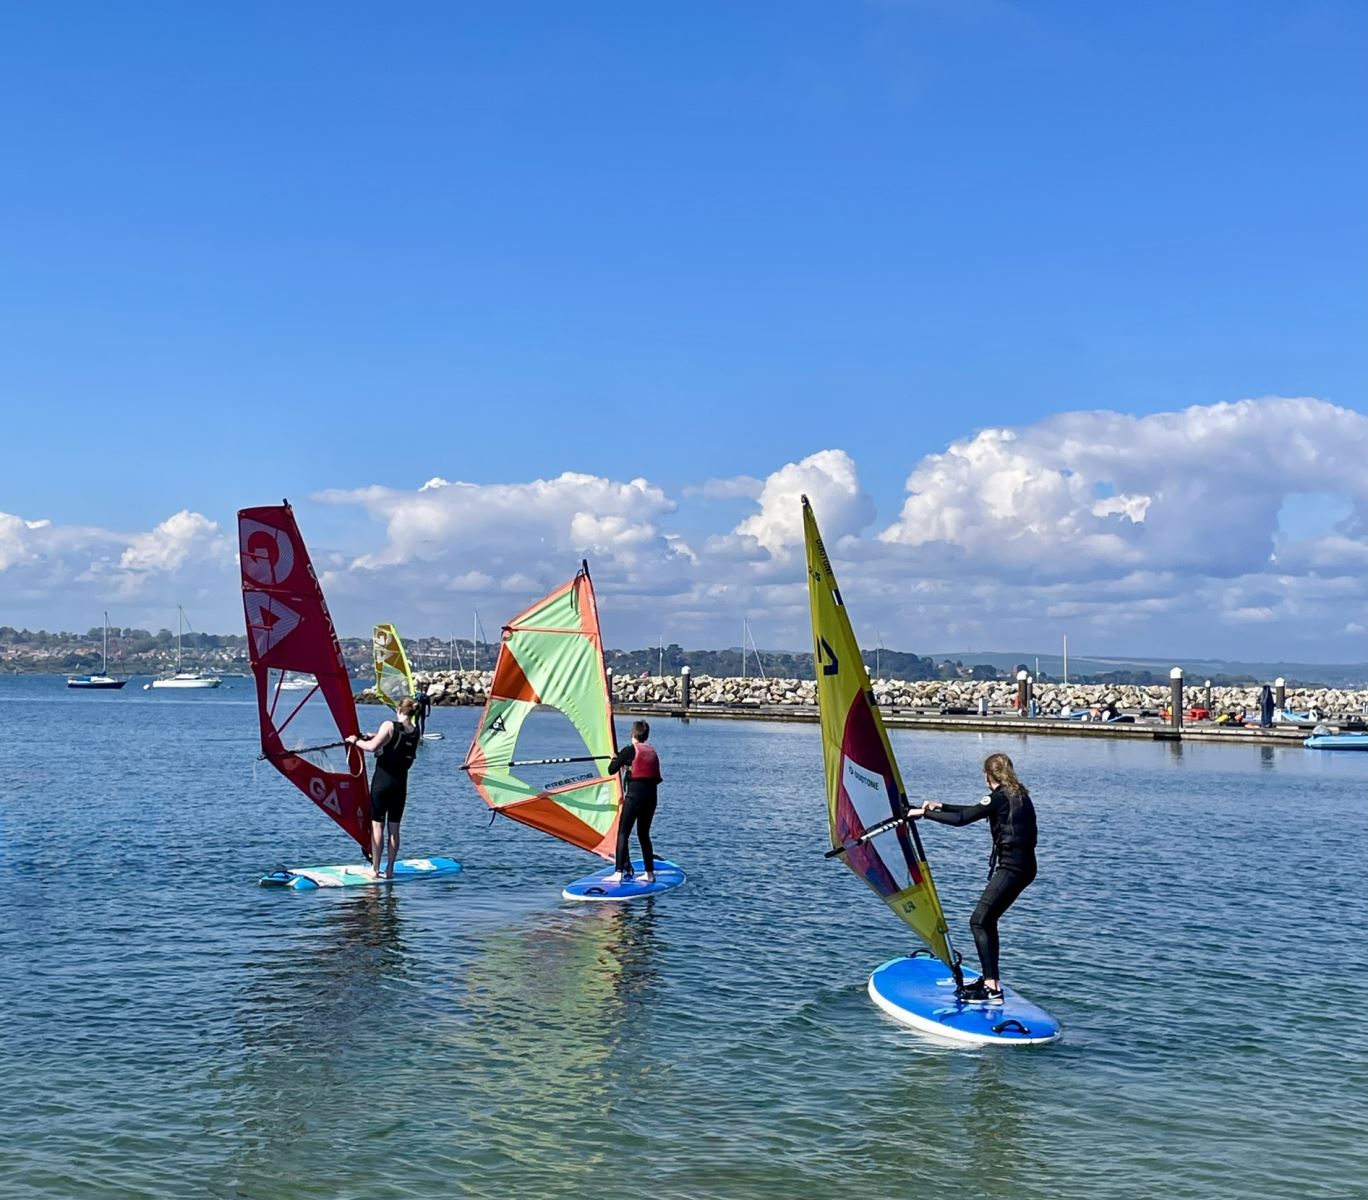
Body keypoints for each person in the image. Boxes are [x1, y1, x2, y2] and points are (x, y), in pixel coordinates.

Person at [907, 752, 1038, 1005]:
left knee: (979, 921)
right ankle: (992, 982)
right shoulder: (1018, 794)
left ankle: (992, 988)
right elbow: (974, 810)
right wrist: (940, 806)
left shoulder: (1001, 796)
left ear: (988, 775)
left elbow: (962, 820)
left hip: (1013, 869)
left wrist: (922, 814)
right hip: (1025, 867)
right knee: (987, 920)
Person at [346, 696, 422, 877]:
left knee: (377, 826)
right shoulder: (416, 731)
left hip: (382, 783)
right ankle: (390, 870)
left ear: (398, 709)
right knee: (394, 829)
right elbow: (397, 743)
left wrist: (354, 741)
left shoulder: (389, 725)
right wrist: (375, 736)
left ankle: (375, 869)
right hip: (400, 785)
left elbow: (372, 747)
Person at [603, 720, 662, 884]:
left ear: (632, 734)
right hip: (651, 798)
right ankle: (649, 874)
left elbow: (611, 770)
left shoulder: (629, 750)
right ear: (646, 735)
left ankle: (619, 872)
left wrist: (615, 759)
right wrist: (622, 759)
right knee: (644, 835)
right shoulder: (651, 751)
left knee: (623, 833)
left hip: (635, 797)